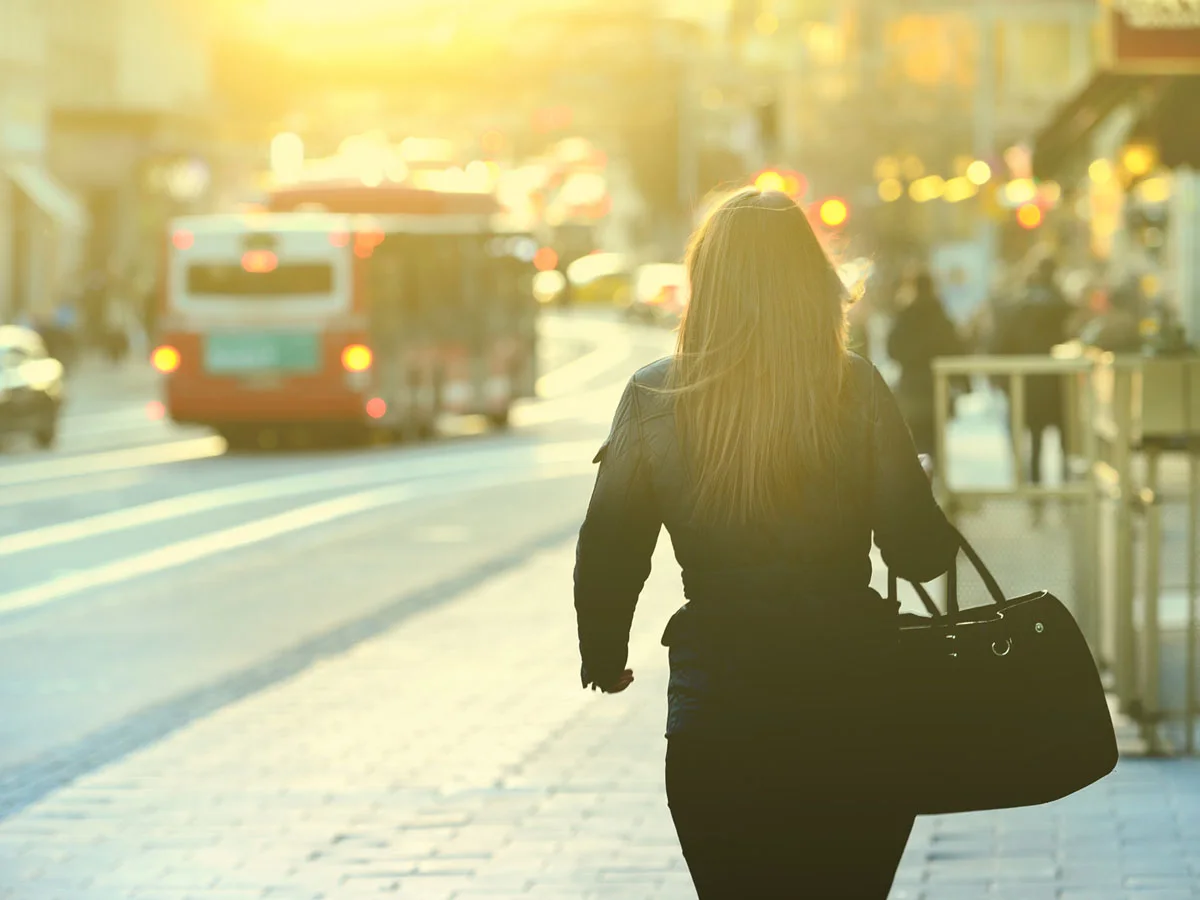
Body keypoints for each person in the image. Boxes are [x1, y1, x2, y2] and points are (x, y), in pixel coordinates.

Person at [573, 188, 959, 897]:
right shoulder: (857, 389)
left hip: (719, 714)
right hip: (857, 711)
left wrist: (603, 653)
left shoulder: (654, 397)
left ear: (705, 285)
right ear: (813, 283)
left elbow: (610, 546)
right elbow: (921, 556)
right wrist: (917, 482)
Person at [993, 256, 1075, 487]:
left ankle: (1033, 488)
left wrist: (1003, 382)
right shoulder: (1063, 307)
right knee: (1063, 439)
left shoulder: (1018, 308)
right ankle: (1066, 487)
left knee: (1033, 439)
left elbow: (1002, 345)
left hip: (1026, 384)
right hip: (1058, 383)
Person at [886, 270, 966, 461]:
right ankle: (933, 475)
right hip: (936, 388)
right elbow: (956, 349)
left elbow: (892, 349)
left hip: (910, 390)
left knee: (913, 447)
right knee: (934, 446)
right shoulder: (941, 316)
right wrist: (963, 383)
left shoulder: (904, 316)